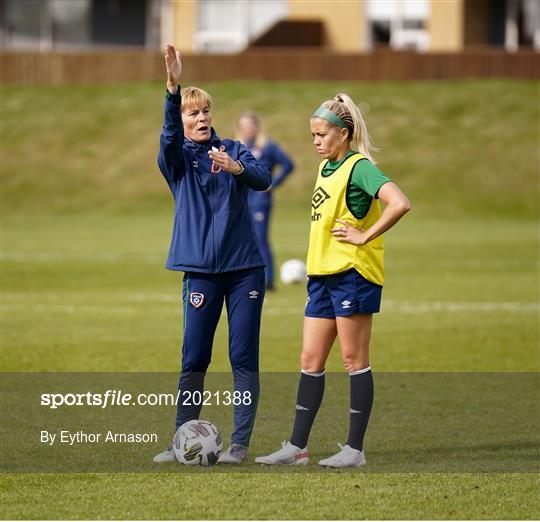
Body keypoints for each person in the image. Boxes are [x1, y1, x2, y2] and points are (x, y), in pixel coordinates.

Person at [255, 93, 411, 468]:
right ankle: (297, 447)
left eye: (322, 134)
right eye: (313, 135)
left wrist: (364, 235)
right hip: (321, 278)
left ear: (344, 134)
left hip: (352, 277)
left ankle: (354, 450)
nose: (316, 142)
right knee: (310, 359)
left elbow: (400, 202)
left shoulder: (360, 167)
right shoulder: (326, 169)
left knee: (354, 360)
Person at [153, 45, 271, 465]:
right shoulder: (177, 161)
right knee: (195, 356)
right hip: (201, 273)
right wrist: (172, 88)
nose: (202, 119)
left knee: (242, 356)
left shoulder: (234, 149)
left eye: (205, 112)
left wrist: (237, 168)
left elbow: (263, 178)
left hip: (245, 272)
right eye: (193, 114)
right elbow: (167, 137)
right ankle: (181, 440)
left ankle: (239, 445)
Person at [237, 112, 294, 290]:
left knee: (261, 240)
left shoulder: (267, 146)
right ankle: (245, 279)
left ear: (257, 127)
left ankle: (268, 280)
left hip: (260, 201)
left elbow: (288, 164)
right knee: (243, 240)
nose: (248, 129)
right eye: (244, 126)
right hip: (241, 201)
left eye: (250, 125)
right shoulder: (238, 147)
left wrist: (273, 184)